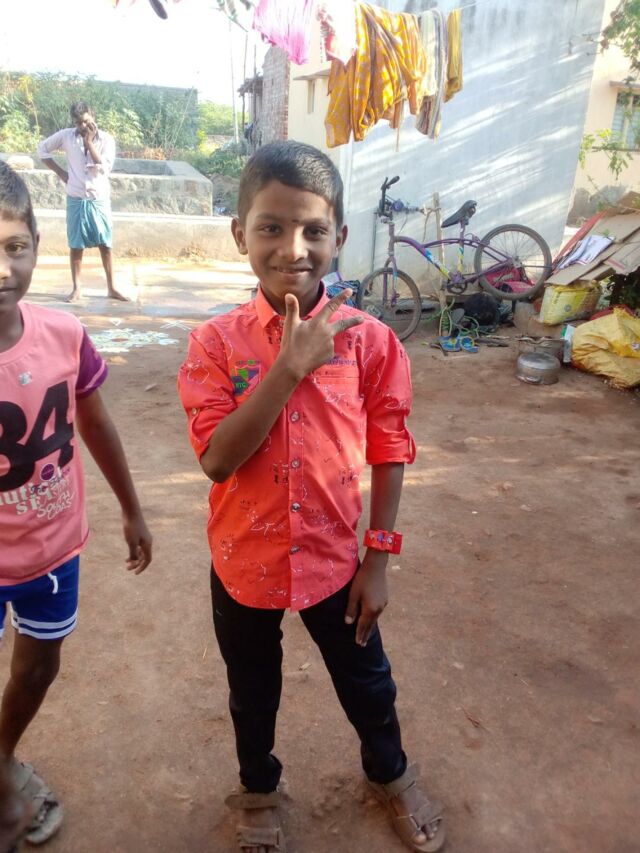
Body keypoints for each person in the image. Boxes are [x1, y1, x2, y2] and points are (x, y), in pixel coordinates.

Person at [178, 141, 445, 853]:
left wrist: (378, 559)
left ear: (339, 236)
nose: (292, 248)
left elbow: (390, 450)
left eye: (313, 230)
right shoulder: (214, 344)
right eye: (270, 227)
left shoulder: (371, 343)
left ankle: (390, 773)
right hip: (243, 562)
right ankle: (258, 790)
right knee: (252, 692)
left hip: (334, 562)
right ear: (240, 234)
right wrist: (290, 367)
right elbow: (217, 459)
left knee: (368, 681)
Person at [0, 161, 152, 849]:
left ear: (37, 245)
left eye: (15, 246)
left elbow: (94, 421)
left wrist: (132, 508)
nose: (3, 268)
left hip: (54, 551)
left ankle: (2, 759)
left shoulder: (64, 335)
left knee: (39, 664)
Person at [37, 101, 128, 303]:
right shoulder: (66, 136)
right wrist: (61, 173)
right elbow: (42, 150)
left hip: (99, 198)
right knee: (76, 244)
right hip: (76, 197)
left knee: (105, 244)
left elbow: (104, 167)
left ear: (92, 115)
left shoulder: (107, 140)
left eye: (86, 121)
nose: (83, 126)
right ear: (74, 122)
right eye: (78, 123)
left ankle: (112, 287)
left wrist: (89, 142)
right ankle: (77, 288)